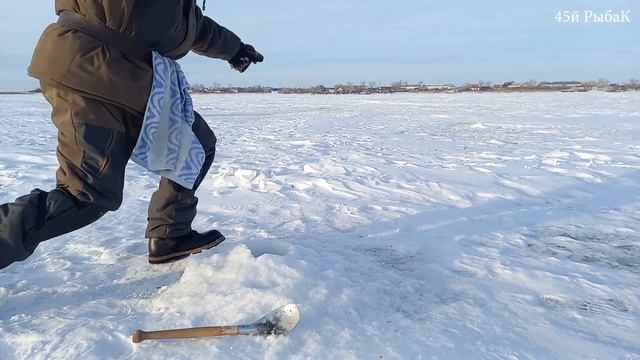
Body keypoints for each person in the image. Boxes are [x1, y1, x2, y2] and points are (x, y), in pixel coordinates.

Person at [0, 0, 263, 269]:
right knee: (86, 193)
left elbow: (191, 26)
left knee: (196, 146)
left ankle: (170, 236)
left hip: (130, 78)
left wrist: (235, 49)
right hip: (91, 69)